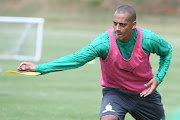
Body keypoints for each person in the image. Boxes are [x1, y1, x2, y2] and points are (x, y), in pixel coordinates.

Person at [17, 5, 172, 120]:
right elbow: (76, 59)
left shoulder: (148, 39)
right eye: (115, 23)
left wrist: (158, 78)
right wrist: (39, 68)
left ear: (134, 24)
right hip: (115, 92)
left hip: (144, 93)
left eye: (122, 24)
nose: (117, 28)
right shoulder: (104, 42)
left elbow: (167, 51)